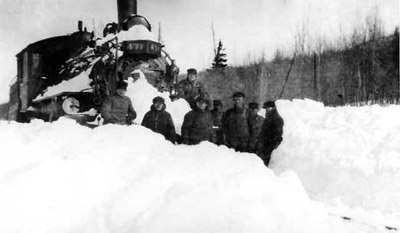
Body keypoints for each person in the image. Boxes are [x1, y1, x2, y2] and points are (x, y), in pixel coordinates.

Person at [256, 100, 284, 167]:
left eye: (268, 108)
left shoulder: (276, 119)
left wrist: (270, 145)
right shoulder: (269, 117)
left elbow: (277, 135)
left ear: (273, 108)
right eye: (266, 108)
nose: (266, 110)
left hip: (269, 146)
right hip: (265, 145)